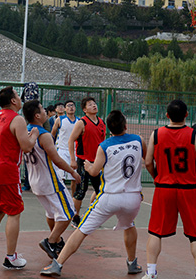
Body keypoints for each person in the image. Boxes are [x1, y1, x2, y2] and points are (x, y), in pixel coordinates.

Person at [41, 110, 145, 277]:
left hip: (110, 197)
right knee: (129, 225)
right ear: (126, 125)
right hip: (133, 198)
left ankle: (57, 264)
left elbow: (95, 172)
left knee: (81, 230)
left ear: (108, 129)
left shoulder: (105, 146)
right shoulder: (138, 140)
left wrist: (88, 166)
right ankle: (132, 263)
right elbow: (148, 160)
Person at [141, 100, 196, 279]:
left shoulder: (156, 134)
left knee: (156, 232)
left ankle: (151, 272)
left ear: (167, 115)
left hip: (164, 188)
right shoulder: (195, 136)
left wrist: (157, 177)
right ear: (187, 115)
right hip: (188, 189)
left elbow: (148, 162)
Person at [0, 86, 39, 270]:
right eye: (18, 96)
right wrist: (34, 135)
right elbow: (26, 147)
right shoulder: (17, 119)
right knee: (14, 212)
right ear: (13, 101)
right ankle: (11, 256)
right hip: (6, 170)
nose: (20, 99)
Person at [22, 100, 80, 261]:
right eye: (42, 109)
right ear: (37, 115)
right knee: (69, 213)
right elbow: (57, 159)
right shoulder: (44, 135)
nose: (46, 112)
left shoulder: (26, 132)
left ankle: (57, 240)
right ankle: (51, 241)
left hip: (35, 180)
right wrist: (72, 172)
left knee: (51, 213)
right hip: (50, 181)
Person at [67, 97, 106, 228]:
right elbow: (71, 140)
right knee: (80, 192)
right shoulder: (82, 123)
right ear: (84, 109)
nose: (94, 106)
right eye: (90, 105)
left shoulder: (101, 122)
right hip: (84, 161)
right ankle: (75, 217)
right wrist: (73, 160)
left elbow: (102, 142)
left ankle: (91, 214)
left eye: (94, 104)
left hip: (97, 162)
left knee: (101, 191)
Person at [51, 100, 79, 196]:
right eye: (68, 106)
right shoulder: (60, 120)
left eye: (72, 105)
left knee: (74, 178)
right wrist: (52, 146)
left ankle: (74, 197)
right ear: (65, 109)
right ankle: (62, 196)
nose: (71, 107)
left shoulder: (79, 121)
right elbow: (53, 134)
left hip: (74, 151)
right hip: (62, 150)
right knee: (61, 176)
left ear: (75, 108)